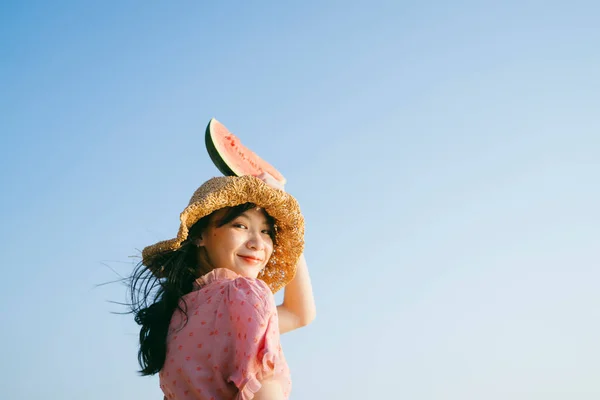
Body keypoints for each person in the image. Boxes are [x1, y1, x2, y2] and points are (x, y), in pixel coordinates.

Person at [129, 173, 316, 400]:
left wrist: (291, 240)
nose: (258, 243)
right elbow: (267, 390)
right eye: (240, 225)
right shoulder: (243, 293)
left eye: (266, 231)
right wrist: (290, 224)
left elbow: (298, 315)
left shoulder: (175, 317)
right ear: (199, 235)